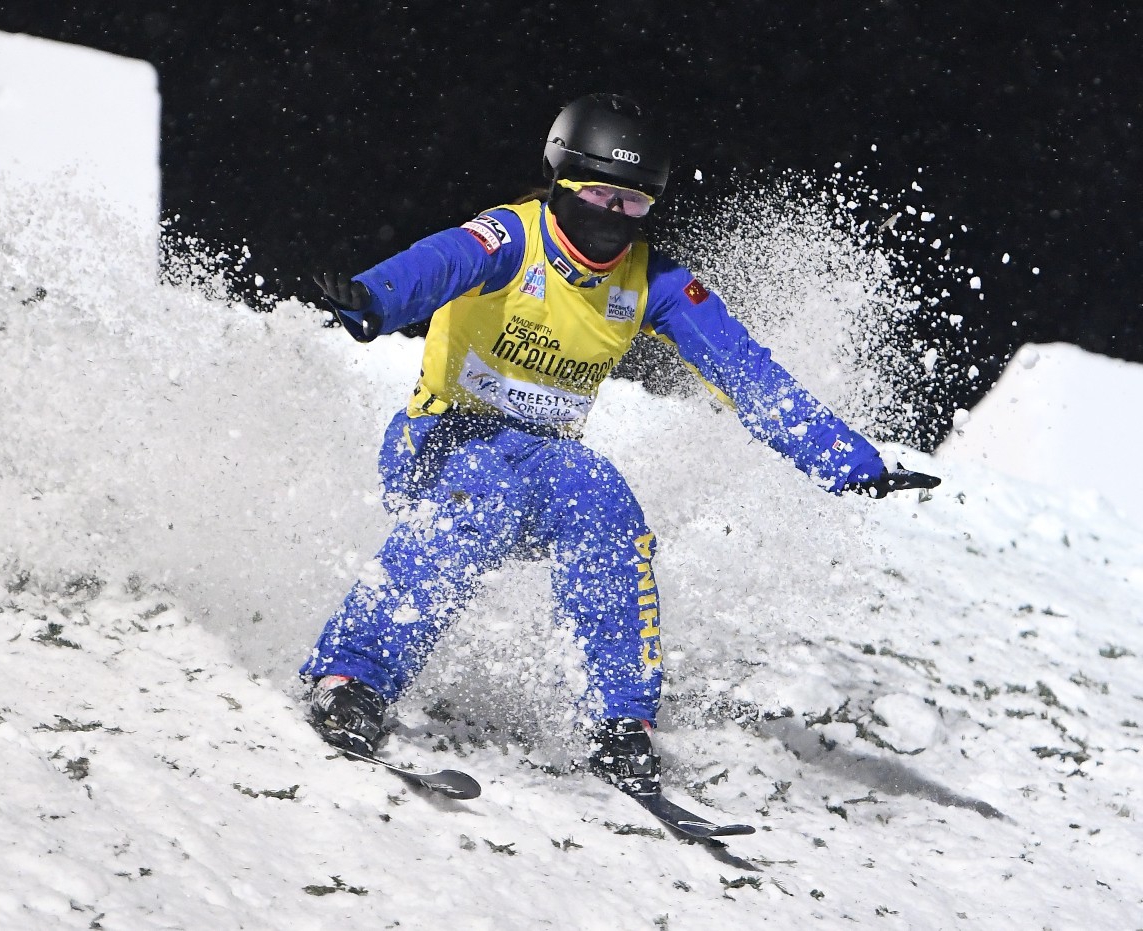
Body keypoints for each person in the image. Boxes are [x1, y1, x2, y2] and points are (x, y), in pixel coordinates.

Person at [299, 93, 939, 797]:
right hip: (443, 441)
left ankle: (619, 723)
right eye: (600, 194)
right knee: (481, 488)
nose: (613, 217)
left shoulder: (651, 281)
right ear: (561, 181)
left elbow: (745, 371)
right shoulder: (511, 238)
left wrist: (850, 461)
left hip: (543, 461)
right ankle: (352, 677)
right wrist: (374, 297)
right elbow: (441, 262)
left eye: (634, 204)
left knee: (607, 503)